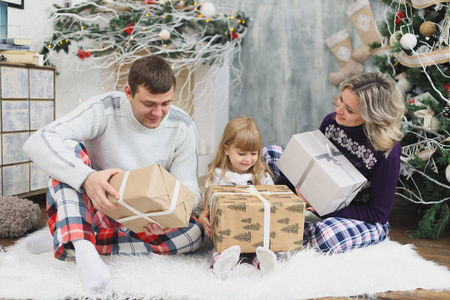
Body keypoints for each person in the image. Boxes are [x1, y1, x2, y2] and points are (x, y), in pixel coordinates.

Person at [22, 55, 204, 291]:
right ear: (129, 92)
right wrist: (87, 178)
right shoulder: (103, 108)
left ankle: (70, 236)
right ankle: (83, 248)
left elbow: (190, 190)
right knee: (67, 148)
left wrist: (168, 217)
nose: (158, 112)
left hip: (143, 218)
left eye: (165, 103)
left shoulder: (182, 125)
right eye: (149, 103)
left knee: (195, 234)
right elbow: (38, 141)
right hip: (97, 206)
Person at [270, 72, 405, 254]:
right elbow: (308, 163)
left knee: (327, 236)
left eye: (349, 110)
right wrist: (275, 195)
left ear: (373, 116)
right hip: (318, 201)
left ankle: (305, 231)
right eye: (341, 100)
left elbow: (379, 214)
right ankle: (301, 225)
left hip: (360, 219)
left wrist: (323, 210)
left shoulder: (388, 150)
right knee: (270, 153)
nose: (339, 110)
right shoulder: (331, 122)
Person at [198, 116, 277, 279]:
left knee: (260, 250)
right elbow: (206, 209)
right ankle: (222, 266)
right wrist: (203, 219)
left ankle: (265, 265)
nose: (248, 159)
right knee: (220, 250)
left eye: (253, 153)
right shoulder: (217, 176)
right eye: (241, 153)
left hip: (256, 231)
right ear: (226, 149)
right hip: (227, 232)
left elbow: (274, 204)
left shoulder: (261, 176)